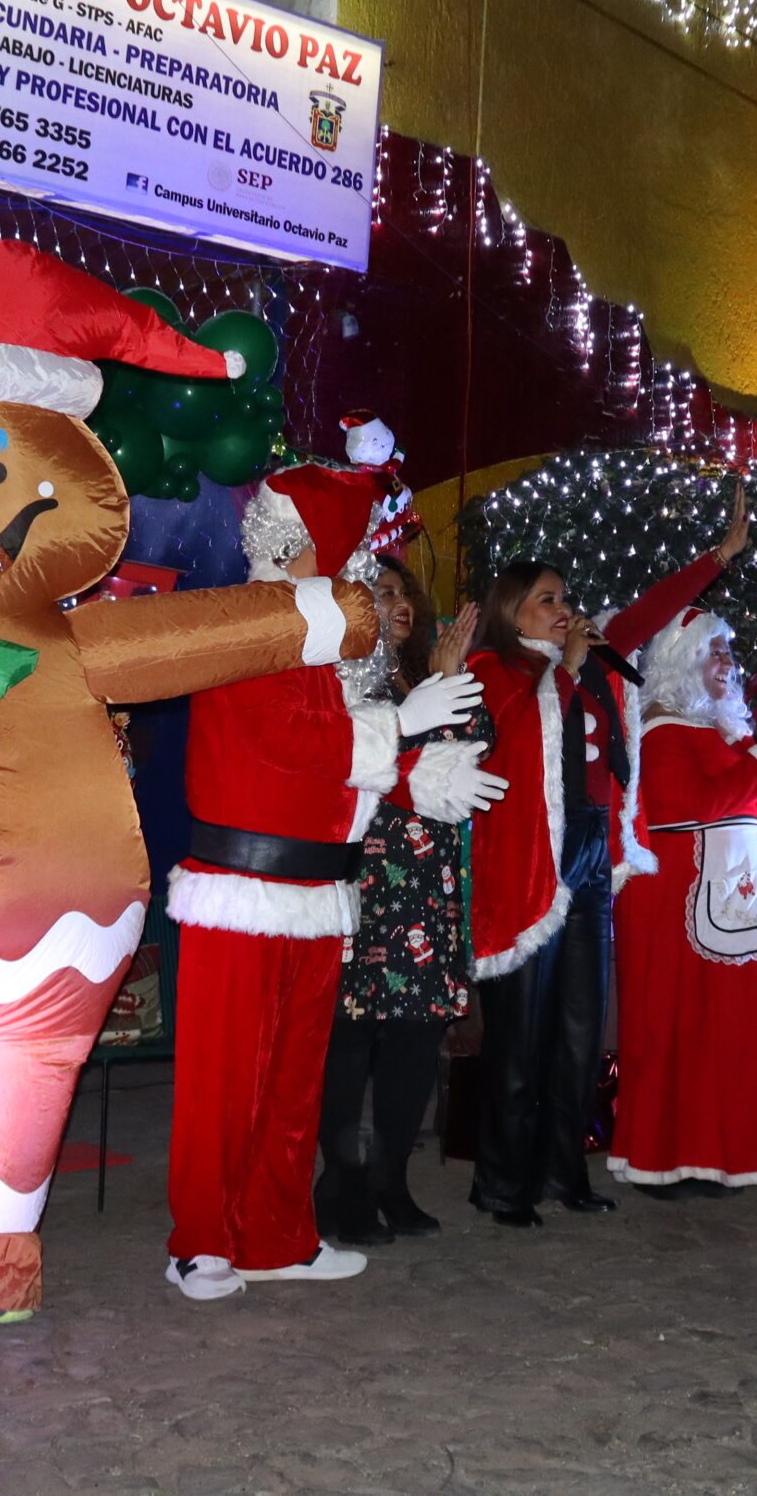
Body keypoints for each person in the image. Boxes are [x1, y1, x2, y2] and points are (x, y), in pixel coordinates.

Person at [169, 464, 504, 1300]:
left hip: (321, 894)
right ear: (305, 546)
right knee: (225, 1082)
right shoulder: (246, 625)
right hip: (240, 890)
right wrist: (408, 721)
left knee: (293, 1083)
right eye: (352, 552)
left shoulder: (327, 650)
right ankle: (202, 1240)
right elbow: (289, 737)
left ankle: (278, 1234)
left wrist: (419, 775)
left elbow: (345, 752)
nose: (363, 573)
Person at [464, 482, 749, 1228]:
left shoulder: (591, 664)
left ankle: (565, 1171)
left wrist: (718, 557)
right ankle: (503, 1183)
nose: (565, 609)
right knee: (521, 1034)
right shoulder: (494, 670)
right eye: (548, 599)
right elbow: (515, 741)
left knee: (581, 1028)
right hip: (531, 858)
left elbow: (649, 612)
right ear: (513, 611)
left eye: (566, 597)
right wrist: (563, 667)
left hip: (591, 849)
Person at [610, 608, 757, 1196]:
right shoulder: (661, 728)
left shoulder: (727, 731)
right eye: (714, 650)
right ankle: (665, 1161)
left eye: (728, 650)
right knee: (682, 1032)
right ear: (680, 660)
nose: (728, 662)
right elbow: (692, 804)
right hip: (678, 904)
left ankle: (724, 1158)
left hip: (734, 901)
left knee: (733, 1035)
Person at [316, 562, 490, 1245]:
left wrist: (444, 682)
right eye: (380, 593)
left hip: (426, 883)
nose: (399, 604)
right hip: (358, 874)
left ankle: (392, 1175)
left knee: (417, 1036)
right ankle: (342, 1180)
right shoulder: (340, 677)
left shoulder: (430, 673)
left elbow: (479, 748)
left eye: (404, 593)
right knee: (349, 1034)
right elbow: (349, 757)